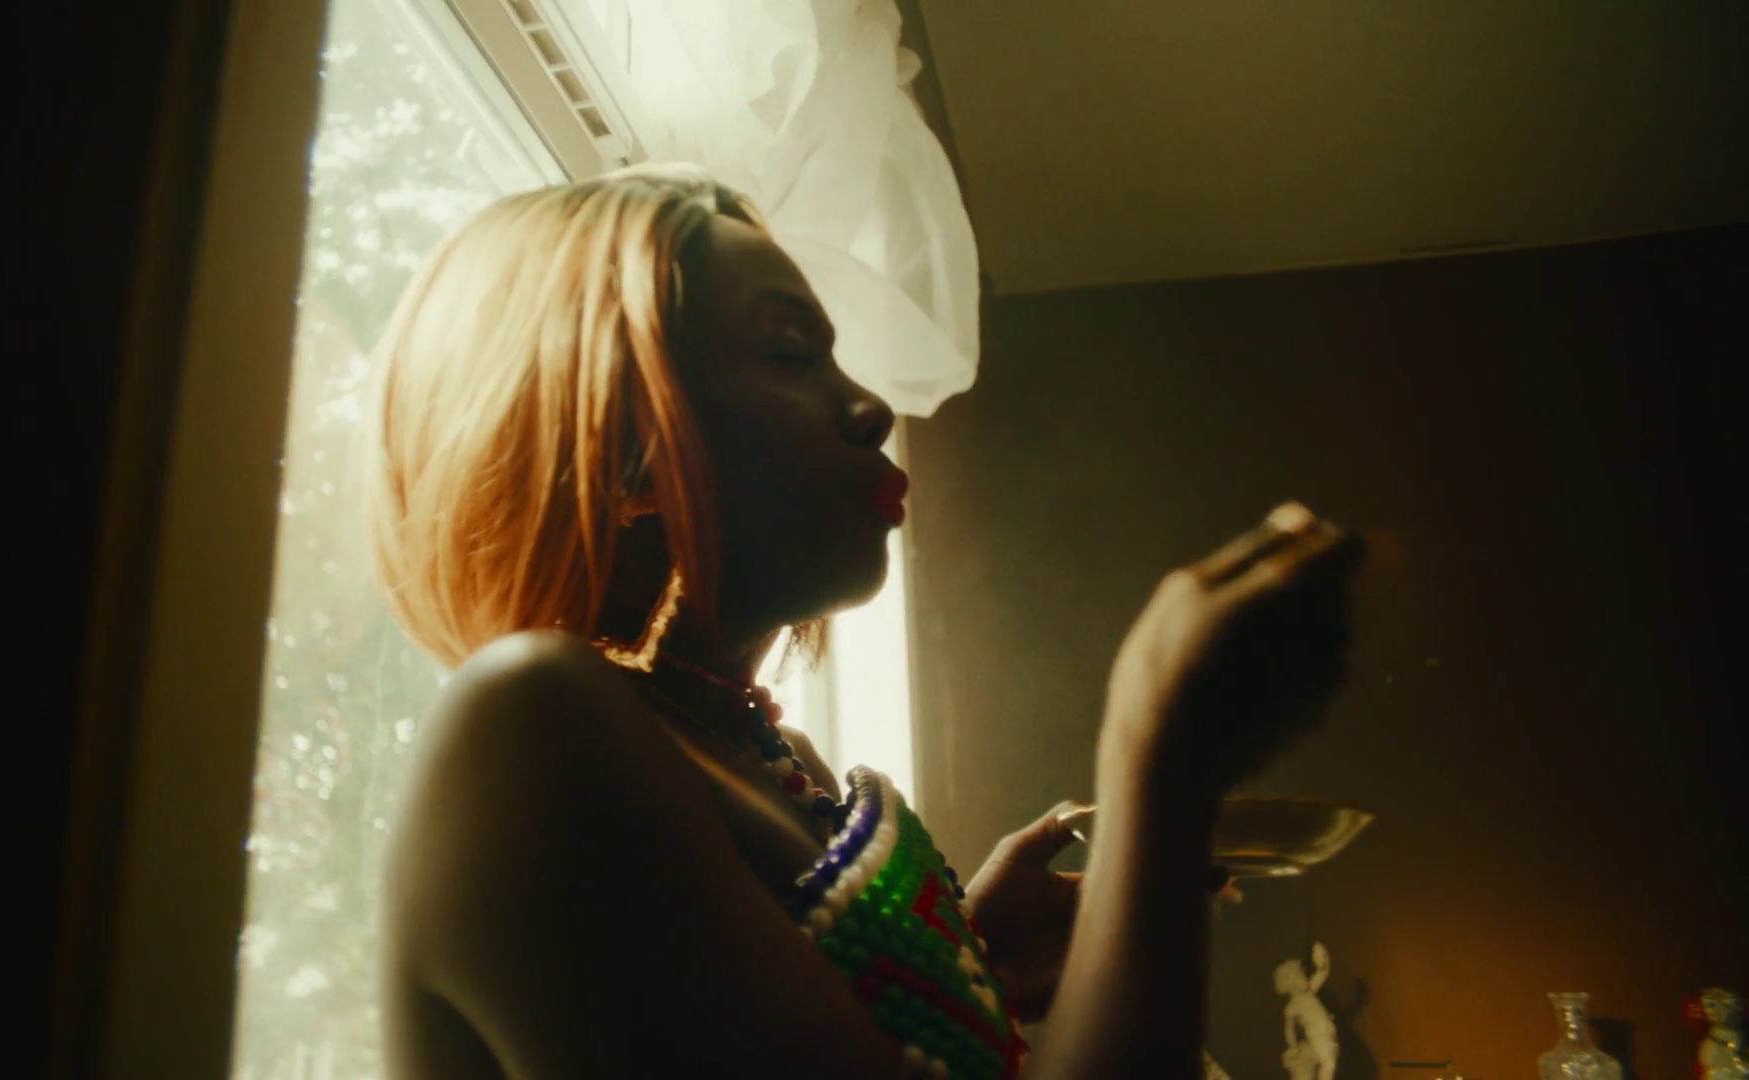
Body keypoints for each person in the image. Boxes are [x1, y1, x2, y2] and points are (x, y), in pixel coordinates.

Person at [369, 163, 1364, 1078]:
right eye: (790, 352)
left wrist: (965, 970)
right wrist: (1159, 758)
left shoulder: (768, 753)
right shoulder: (536, 725)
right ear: (618, 442)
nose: (872, 408)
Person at [1276, 943, 1338, 1080]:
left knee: (1331, 1059)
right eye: (1300, 976)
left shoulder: (1309, 991)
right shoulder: (1292, 1007)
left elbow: (1322, 973)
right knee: (1328, 1063)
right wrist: (1293, 1047)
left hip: (1327, 1031)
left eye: (1303, 974)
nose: (1304, 977)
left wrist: (1323, 958)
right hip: (1317, 1036)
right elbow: (1289, 1029)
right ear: (1292, 984)